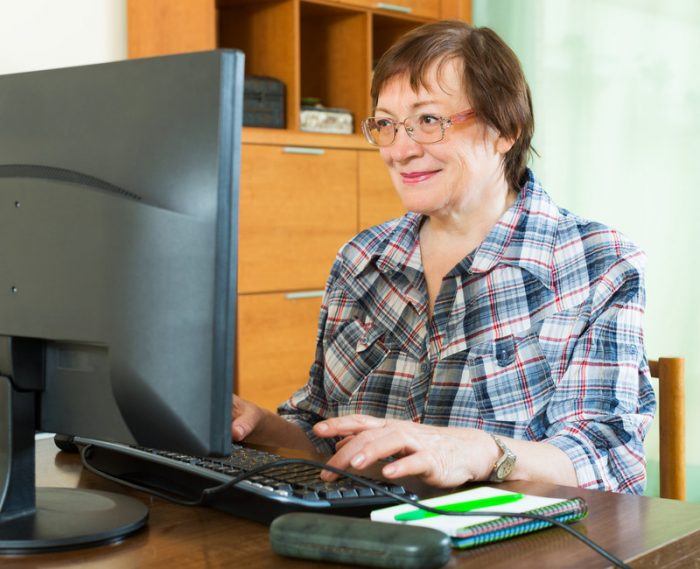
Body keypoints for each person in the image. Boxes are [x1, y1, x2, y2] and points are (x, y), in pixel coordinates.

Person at [232, 20, 656, 494]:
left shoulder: (599, 263)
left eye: (428, 121)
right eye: (387, 125)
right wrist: (260, 427)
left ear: (505, 130)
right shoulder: (360, 261)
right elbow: (325, 438)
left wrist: (478, 451)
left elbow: (608, 459)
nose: (401, 150)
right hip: (369, 539)